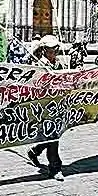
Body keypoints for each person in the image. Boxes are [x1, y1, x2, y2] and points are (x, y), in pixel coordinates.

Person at [25, 35, 68, 181]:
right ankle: (55, 168)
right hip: (44, 107)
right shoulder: (39, 66)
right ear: (44, 50)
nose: (53, 53)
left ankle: (35, 151)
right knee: (53, 137)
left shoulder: (59, 64)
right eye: (50, 51)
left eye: (55, 50)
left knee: (52, 135)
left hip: (58, 105)